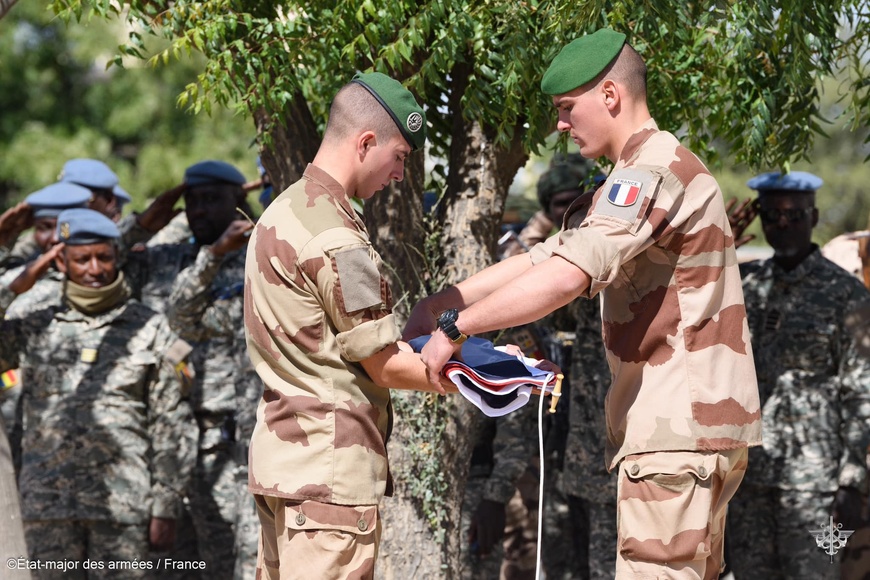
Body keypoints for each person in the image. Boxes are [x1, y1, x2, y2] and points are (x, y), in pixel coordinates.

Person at [407, 28, 762, 578]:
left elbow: (567, 277)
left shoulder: (651, 172)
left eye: (568, 109)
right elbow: (543, 258)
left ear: (612, 97)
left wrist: (455, 328)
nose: (561, 125)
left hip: (674, 435)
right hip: (686, 433)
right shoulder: (633, 177)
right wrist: (442, 302)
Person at [244, 71, 455, 579]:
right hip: (330, 482)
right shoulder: (337, 239)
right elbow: (384, 366)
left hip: (285, 468)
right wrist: (471, 369)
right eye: (400, 156)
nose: (401, 174)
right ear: (365, 142)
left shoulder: (283, 212)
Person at [0, 208, 196, 576]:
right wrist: (13, 287)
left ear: (117, 257)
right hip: (48, 508)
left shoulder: (149, 329)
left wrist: (165, 505)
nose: (94, 269)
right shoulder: (35, 328)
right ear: (62, 262)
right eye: (82, 259)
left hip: (123, 508)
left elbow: (171, 424)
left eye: (103, 257)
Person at [726, 171, 870, 579]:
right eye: (772, 216)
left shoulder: (848, 295)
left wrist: (852, 481)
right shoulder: (745, 287)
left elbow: (862, 393)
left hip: (818, 489)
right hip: (749, 480)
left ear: (815, 217)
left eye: (794, 216)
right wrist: (720, 247)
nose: (782, 225)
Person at [160, 159, 259, 579]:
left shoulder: (265, 250)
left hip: (262, 438)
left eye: (211, 199)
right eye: (192, 202)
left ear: (239, 198)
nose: (199, 210)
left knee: (258, 559)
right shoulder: (182, 262)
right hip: (207, 444)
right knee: (217, 564)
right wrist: (212, 256)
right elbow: (179, 318)